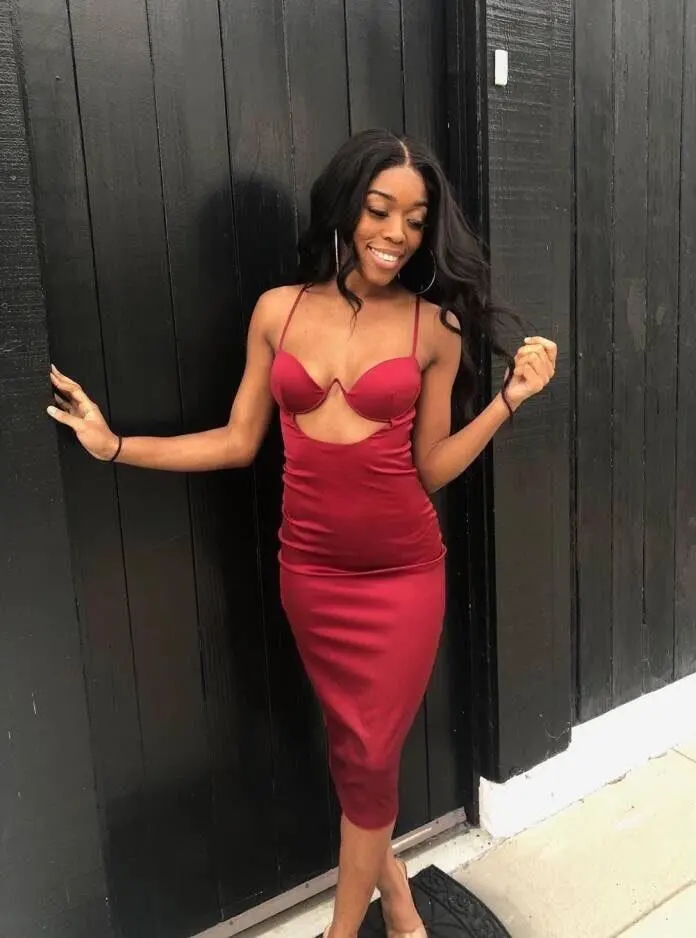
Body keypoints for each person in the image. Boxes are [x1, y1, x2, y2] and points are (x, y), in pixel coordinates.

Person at [47, 129, 556, 938]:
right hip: (311, 578)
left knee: (369, 759)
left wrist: (507, 401)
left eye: (415, 220)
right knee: (357, 758)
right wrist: (115, 446)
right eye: (380, 210)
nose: (395, 234)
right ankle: (399, 904)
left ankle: (338, 933)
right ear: (347, 208)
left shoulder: (433, 328)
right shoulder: (277, 311)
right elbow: (236, 440)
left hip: (401, 579)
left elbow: (429, 468)